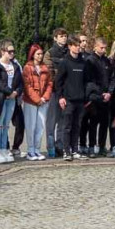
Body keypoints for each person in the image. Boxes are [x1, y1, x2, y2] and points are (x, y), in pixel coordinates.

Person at [0, 40, 22, 163]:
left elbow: (19, 82)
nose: (12, 53)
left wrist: (16, 92)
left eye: (13, 51)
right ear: (2, 52)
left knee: (6, 125)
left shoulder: (15, 66)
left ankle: (3, 149)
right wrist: (8, 92)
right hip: (0, 98)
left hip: (11, 99)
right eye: (10, 51)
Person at [55, 37, 90, 161]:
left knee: (77, 126)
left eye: (79, 45)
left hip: (80, 100)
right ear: (70, 46)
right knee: (67, 126)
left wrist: (87, 97)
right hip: (68, 100)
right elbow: (58, 82)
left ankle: (75, 150)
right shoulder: (64, 62)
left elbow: (87, 81)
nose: (78, 47)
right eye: (75, 45)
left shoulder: (83, 62)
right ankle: (66, 151)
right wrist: (60, 97)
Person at [21, 44, 51, 161]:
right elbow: (27, 86)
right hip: (30, 102)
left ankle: (37, 149)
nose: (40, 56)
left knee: (40, 126)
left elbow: (49, 84)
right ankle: (30, 150)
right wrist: (37, 99)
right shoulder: (27, 68)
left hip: (43, 101)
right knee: (31, 126)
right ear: (32, 55)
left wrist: (44, 98)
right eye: (38, 54)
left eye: (41, 54)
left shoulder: (45, 68)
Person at [43, 29, 69, 157]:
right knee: (52, 121)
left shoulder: (69, 52)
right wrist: (58, 85)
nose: (63, 38)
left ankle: (60, 145)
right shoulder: (50, 53)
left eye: (65, 36)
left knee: (63, 120)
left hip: (67, 91)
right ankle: (51, 146)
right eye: (61, 36)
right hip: (54, 91)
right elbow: (50, 73)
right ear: (55, 38)